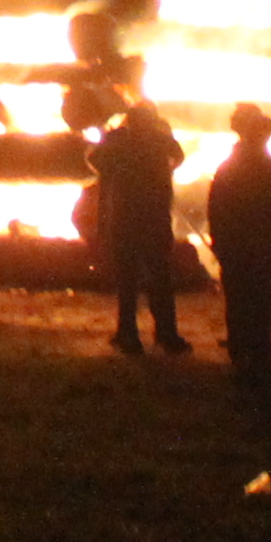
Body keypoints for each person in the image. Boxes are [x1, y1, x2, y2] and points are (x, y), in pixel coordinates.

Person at [202, 104, 271, 373]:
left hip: (234, 242)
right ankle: (260, 345)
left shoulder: (227, 169)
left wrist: (217, 241)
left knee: (237, 296)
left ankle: (239, 345)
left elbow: (215, 208)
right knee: (262, 295)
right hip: (263, 241)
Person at [92, 98, 188, 356]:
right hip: (155, 218)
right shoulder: (160, 140)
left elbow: (95, 161)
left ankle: (128, 335)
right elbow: (178, 156)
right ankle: (166, 335)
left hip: (125, 219)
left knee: (127, 281)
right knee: (160, 278)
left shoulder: (118, 142)